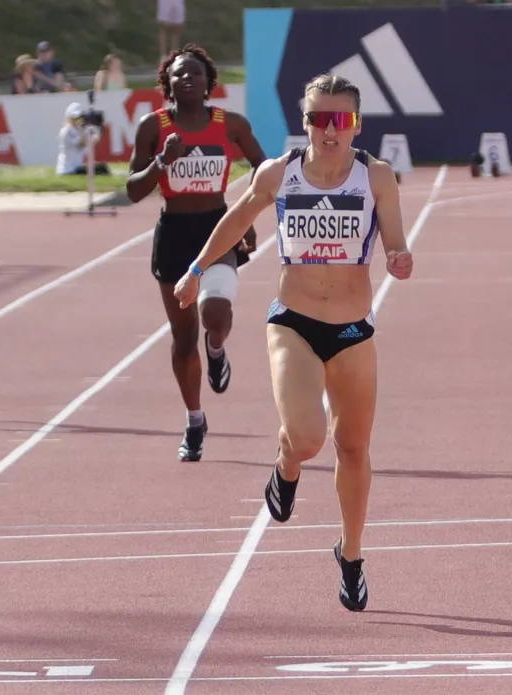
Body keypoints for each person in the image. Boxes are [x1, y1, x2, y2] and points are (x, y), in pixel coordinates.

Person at [173, 73, 414, 612]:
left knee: (353, 448)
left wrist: (399, 259)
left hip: (353, 330)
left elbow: (395, 241)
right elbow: (236, 218)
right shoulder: (279, 174)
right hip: (293, 323)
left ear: (356, 124)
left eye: (341, 120)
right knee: (306, 438)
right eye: (319, 119)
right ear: (304, 123)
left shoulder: (375, 176)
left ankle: (350, 554)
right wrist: (196, 269)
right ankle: (287, 465)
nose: (330, 130)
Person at [125, 44, 267, 462]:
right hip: (174, 233)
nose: (187, 78)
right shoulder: (153, 126)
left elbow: (263, 169)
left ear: (209, 83)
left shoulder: (231, 124)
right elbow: (133, 190)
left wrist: (246, 215)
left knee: (215, 315)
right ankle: (194, 419)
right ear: (167, 84)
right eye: (179, 74)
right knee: (183, 337)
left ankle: (217, 348)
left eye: (195, 73)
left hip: (217, 229)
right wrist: (161, 163)